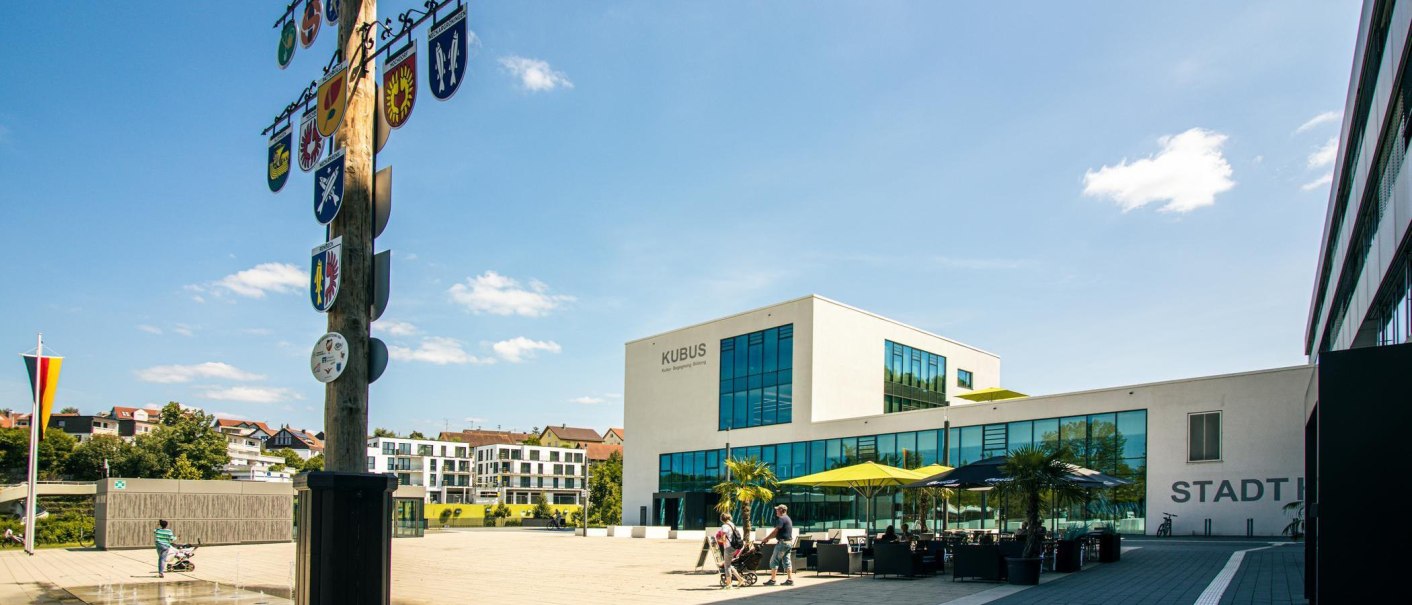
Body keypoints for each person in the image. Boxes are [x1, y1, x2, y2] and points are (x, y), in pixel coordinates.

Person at [761, 504, 795, 586]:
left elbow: (775, 531)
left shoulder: (781, 519)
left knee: (774, 560)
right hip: (789, 542)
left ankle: (773, 580)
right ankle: (790, 579)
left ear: (781, 510)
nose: (776, 511)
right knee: (787, 561)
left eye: (777, 510)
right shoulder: (788, 518)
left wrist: (766, 538)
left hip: (782, 543)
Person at [716, 513, 745, 589]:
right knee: (728, 564)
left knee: (727, 566)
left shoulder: (724, 526)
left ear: (722, 519)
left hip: (728, 547)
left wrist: (718, 539)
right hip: (734, 546)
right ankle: (740, 579)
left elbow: (723, 539)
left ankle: (729, 585)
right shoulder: (732, 524)